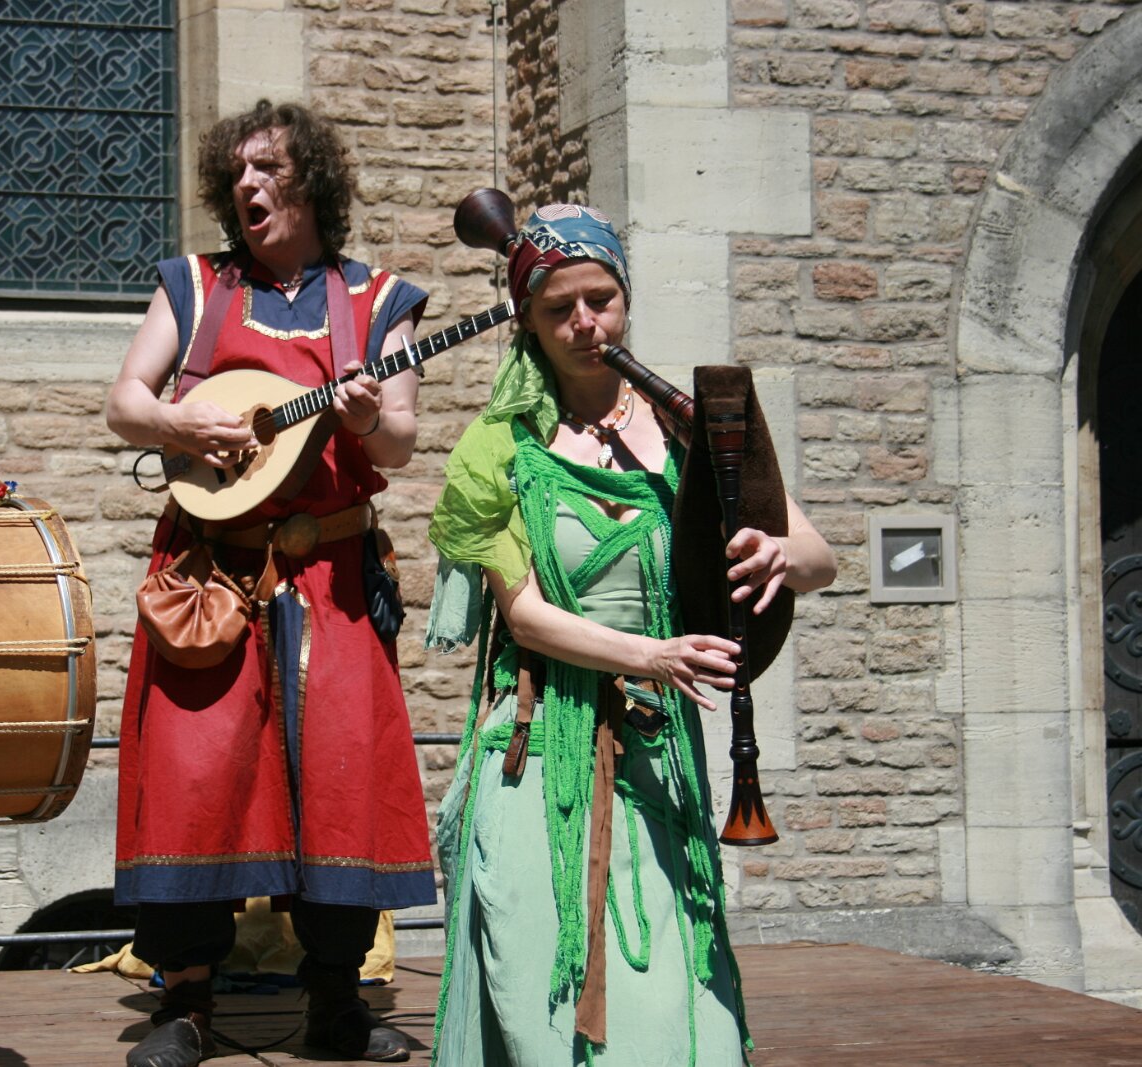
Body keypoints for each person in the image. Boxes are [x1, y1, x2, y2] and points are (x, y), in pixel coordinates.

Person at [424, 204, 837, 1067]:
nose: (586, 322)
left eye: (601, 300)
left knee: (675, 1002)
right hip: (538, 747)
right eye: (559, 308)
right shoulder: (499, 446)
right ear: (528, 322)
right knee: (541, 1001)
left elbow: (819, 558)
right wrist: (652, 654)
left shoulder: (693, 429)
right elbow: (523, 613)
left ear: (625, 299)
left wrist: (777, 551)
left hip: (655, 750)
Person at [105, 99, 436, 1067]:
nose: (248, 185)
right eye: (237, 172)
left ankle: (334, 1000)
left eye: (270, 169)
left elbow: (399, 442)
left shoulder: (376, 299)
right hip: (208, 572)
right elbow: (125, 401)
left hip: (330, 576)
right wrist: (181, 425)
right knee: (194, 770)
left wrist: (363, 417)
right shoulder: (197, 285)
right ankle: (185, 1002)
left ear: (312, 184)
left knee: (341, 775)